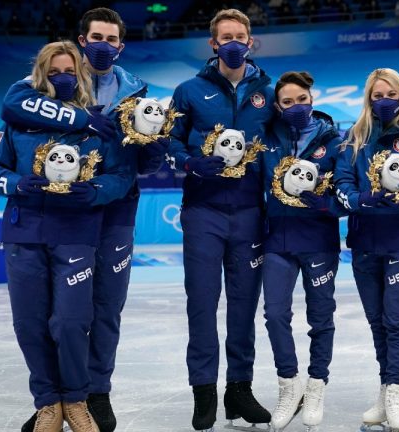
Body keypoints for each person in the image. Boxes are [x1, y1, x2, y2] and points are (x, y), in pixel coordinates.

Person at [0, 8, 158, 432]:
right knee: (43, 313)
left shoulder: (136, 93)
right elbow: (12, 108)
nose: (103, 44)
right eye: (97, 37)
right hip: (55, 216)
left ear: (120, 45)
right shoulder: (40, 93)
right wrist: (84, 119)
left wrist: (156, 144)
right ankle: (55, 397)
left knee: (101, 308)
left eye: (112, 38)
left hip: (112, 212)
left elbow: (136, 166)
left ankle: (92, 393)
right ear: (82, 39)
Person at [166, 8, 274, 432]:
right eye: (225, 36)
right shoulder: (188, 90)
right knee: (202, 303)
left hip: (250, 212)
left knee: (245, 306)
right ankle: (204, 391)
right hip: (203, 212)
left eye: (240, 36)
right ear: (213, 44)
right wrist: (191, 164)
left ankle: (239, 389)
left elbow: (282, 145)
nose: (233, 42)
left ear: (251, 42)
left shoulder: (268, 89)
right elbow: (169, 141)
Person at [335, 68, 399, 432]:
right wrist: (360, 200)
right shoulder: (354, 137)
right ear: (369, 98)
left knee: (397, 319)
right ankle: (385, 387)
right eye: (378, 94)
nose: (384, 100)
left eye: (391, 94)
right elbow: (343, 183)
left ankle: (397, 391)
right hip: (364, 240)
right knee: (376, 320)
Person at [259, 71, 344, 431]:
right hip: (277, 239)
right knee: (275, 314)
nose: (296, 107)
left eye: (302, 100)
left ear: (313, 99)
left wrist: (325, 203)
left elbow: (345, 197)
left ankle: (316, 385)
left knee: (320, 317)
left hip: (319, 240)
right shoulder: (266, 139)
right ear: (278, 106)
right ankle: (288, 384)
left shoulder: (335, 141)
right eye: (288, 102)